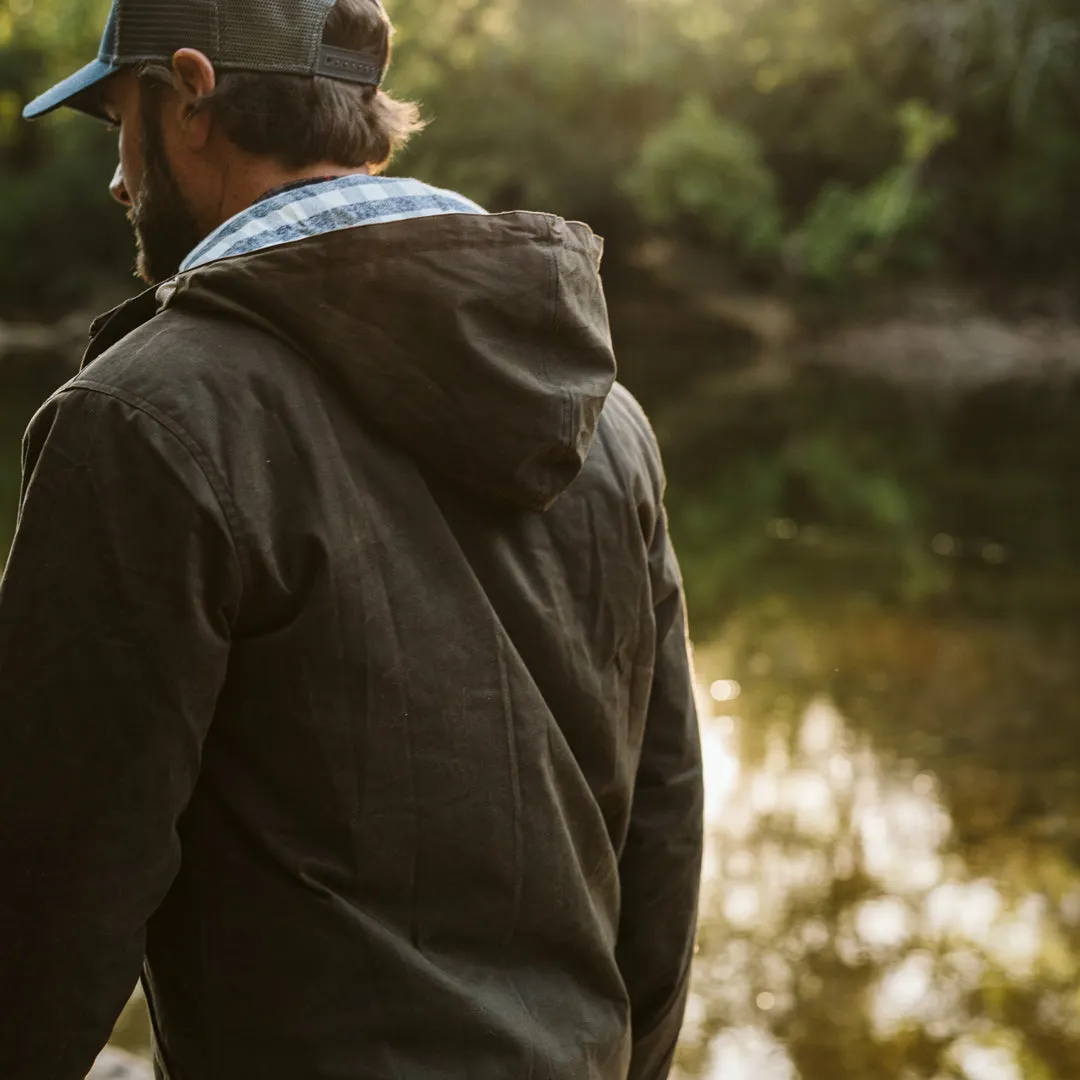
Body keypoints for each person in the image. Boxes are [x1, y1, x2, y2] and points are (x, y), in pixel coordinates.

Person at [0, 1, 704, 1078]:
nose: (116, 182)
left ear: (191, 93)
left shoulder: (142, 419)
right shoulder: (609, 418)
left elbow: (48, 904)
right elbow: (662, 835)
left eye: (116, 126)